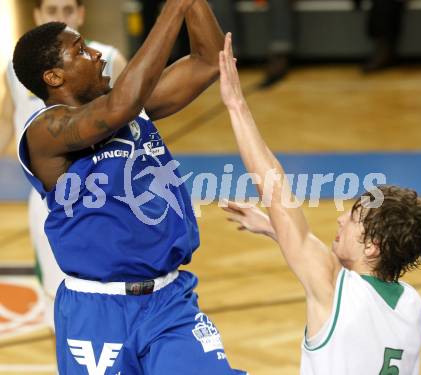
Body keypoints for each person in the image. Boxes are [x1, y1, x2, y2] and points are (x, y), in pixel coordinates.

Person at [13, 0, 246, 373]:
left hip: (169, 304)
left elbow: (208, 60)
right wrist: (171, 11)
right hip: (96, 312)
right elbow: (114, 111)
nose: (97, 56)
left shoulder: (131, 106)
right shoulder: (45, 132)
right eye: (81, 52)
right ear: (54, 77)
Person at [219, 33, 421, 373]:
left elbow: (275, 188)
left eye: (353, 219)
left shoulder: (335, 289)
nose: (340, 222)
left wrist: (236, 105)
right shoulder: (413, 305)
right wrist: (277, 230)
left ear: (374, 247)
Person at [0, 0, 127, 329]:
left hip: (104, 195)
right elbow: (4, 122)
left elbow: (141, 120)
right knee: (59, 300)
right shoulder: (19, 69)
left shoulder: (109, 60)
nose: (60, 16)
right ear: (38, 16)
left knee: (112, 293)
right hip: (48, 198)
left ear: (81, 15)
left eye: (68, 10)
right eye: (52, 9)